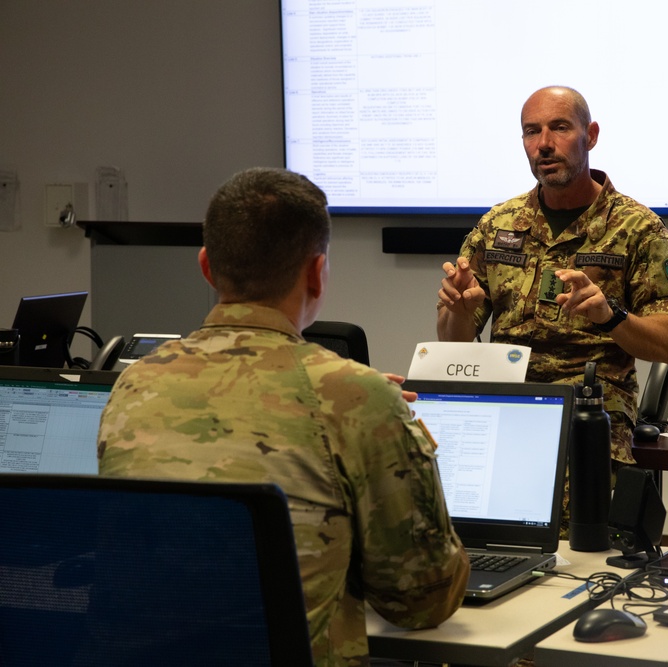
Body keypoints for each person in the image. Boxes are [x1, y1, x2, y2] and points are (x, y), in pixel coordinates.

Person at [98, 167, 470, 667]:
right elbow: (420, 601)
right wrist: (390, 429)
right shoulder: (355, 396)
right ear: (317, 272)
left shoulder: (134, 383)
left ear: (207, 267)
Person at [437, 85, 668, 469]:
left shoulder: (637, 228)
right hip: (506, 405)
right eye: (531, 131)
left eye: (559, 128)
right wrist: (458, 308)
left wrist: (611, 316)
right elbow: (452, 342)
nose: (543, 144)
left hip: (590, 411)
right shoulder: (498, 224)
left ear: (590, 136)